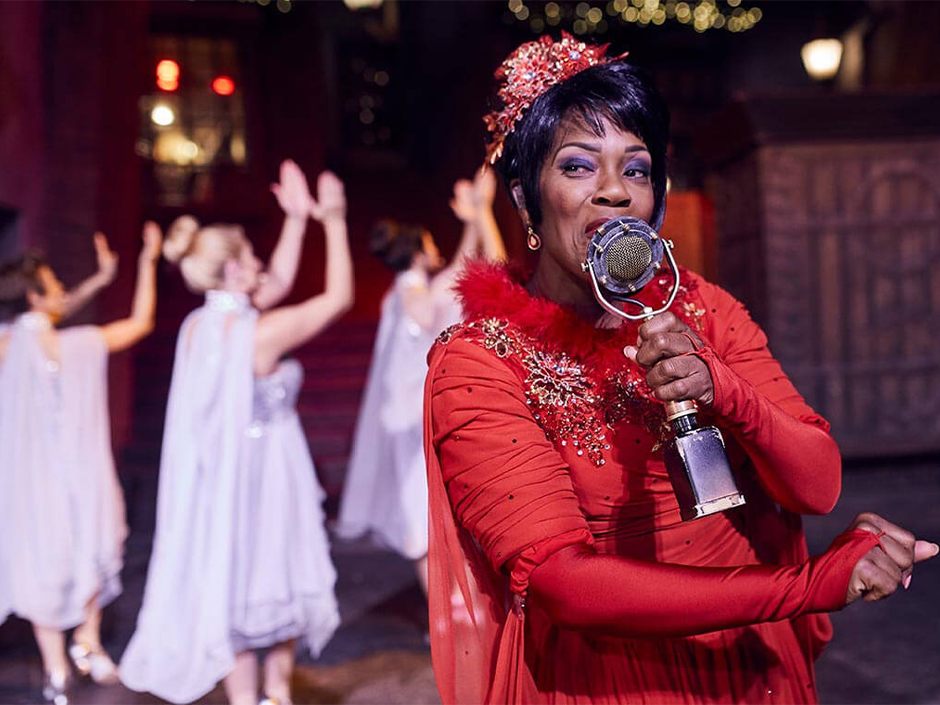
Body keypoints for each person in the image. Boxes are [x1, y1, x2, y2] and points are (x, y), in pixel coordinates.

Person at [422, 33, 938, 705]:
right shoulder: (480, 362)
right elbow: (564, 584)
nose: (614, 191)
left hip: (750, 668)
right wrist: (806, 586)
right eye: (578, 166)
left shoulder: (701, 307)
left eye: (636, 169)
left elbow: (817, 485)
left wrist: (722, 387)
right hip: (609, 681)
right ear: (526, 201)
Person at [119, 160, 353, 705]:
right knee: (278, 572)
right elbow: (336, 299)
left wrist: (296, 219)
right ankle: (275, 692)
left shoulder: (200, 326)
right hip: (269, 476)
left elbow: (278, 284)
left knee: (237, 577)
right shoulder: (259, 334)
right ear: (231, 269)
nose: (260, 264)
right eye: (250, 257)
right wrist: (334, 220)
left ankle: (248, 699)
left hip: (222, 482)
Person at [0, 225, 161, 704]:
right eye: (55, 285)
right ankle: (80, 647)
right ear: (35, 296)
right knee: (85, 546)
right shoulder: (78, 344)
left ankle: (62, 664)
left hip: (36, 480)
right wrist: (147, 260)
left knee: (47, 556)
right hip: (73, 473)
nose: (65, 292)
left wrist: (101, 279)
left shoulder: (7, 345)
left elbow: (49, 315)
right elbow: (140, 322)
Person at [337, 168, 505, 597]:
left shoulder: (400, 293)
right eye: (430, 242)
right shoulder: (414, 298)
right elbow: (467, 278)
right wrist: (479, 215)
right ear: (417, 252)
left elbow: (456, 273)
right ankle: (448, 613)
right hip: (418, 425)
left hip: (409, 420)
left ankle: (448, 612)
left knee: (425, 513)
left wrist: (474, 219)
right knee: (424, 512)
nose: (436, 249)